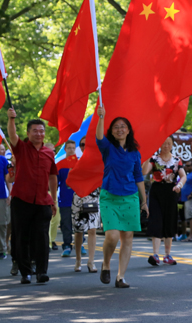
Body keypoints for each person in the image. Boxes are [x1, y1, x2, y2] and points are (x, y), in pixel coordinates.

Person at [96, 105, 148, 288]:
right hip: (109, 196)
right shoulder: (108, 148)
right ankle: (106, 264)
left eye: (123, 126)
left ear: (128, 130)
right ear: (112, 130)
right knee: (112, 236)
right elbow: (99, 137)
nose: (119, 129)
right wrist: (101, 117)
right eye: (116, 127)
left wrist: (144, 201)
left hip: (130, 198)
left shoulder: (135, 152)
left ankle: (121, 277)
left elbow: (138, 177)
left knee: (128, 238)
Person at [6, 108, 58, 285]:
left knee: (42, 237)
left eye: (41, 131)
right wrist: (11, 119)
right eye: (35, 130)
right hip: (21, 199)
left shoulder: (49, 153)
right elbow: (12, 136)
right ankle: (25, 272)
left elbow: (52, 177)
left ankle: (42, 272)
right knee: (22, 237)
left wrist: (54, 199)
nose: (39, 133)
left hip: (43, 200)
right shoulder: (21, 148)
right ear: (28, 133)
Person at [143, 136, 186, 266]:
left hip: (171, 191)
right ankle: (155, 254)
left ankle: (167, 255)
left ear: (172, 145)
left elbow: (183, 176)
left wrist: (179, 186)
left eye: (169, 143)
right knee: (156, 220)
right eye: (164, 143)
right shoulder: (154, 159)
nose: (166, 145)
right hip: (157, 191)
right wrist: (147, 155)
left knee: (170, 221)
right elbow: (144, 171)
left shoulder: (177, 160)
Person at [72, 136, 101, 273]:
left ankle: (91, 261)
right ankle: (78, 259)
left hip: (93, 197)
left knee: (92, 229)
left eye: (87, 144)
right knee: (78, 230)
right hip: (78, 198)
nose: (85, 147)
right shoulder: (75, 161)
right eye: (82, 145)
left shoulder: (98, 162)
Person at [56, 139, 77, 257]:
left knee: (80, 223)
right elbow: (55, 183)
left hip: (79, 199)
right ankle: (67, 245)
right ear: (65, 149)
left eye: (73, 148)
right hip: (64, 200)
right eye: (69, 148)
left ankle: (81, 244)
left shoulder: (80, 163)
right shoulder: (60, 165)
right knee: (66, 224)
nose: (71, 150)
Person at [45, 142, 61, 251]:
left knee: (56, 219)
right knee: (46, 219)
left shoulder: (58, 164)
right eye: (49, 151)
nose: (52, 153)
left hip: (55, 194)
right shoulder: (41, 161)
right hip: (43, 194)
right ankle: (47, 242)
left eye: (53, 151)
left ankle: (52, 239)